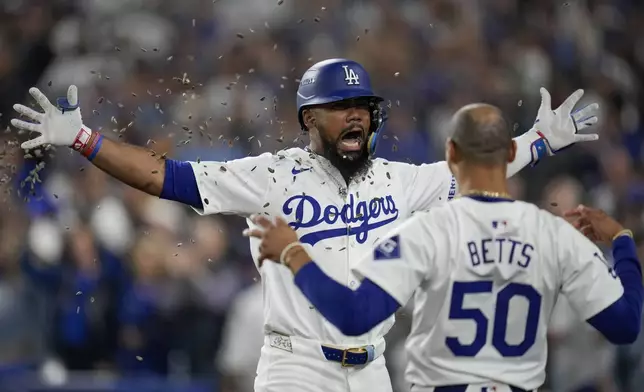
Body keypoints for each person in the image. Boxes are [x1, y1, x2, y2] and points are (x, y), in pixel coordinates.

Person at [11, 58, 600, 392]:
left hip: (371, 368)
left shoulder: (398, 179)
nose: (355, 117)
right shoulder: (271, 175)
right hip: (296, 366)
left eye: (363, 109)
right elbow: (166, 177)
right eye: (341, 109)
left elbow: (482, 170)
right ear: (308, 120)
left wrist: (542, 140)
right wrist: (86, 141)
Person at [244, 103, 644, 392]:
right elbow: (626, 325)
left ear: (451, 154)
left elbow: (353, 317)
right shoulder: (555, 237)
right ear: (508, 156)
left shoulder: (423, 233)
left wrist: (294, 253)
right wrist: (622, 243)